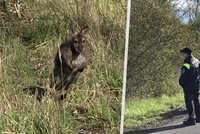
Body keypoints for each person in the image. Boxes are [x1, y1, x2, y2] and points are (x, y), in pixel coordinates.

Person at [179, 47, 200, 126]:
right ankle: (198, 117)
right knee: (196, 100)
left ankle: (191, 120)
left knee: (189, 101)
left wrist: (181, 83)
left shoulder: (187, 63)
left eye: (183, 53)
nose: (182, 55)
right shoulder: (197, 60)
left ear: (186, 53)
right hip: (197, 84)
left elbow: (184, 76)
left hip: (189, 86)